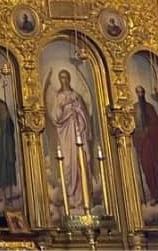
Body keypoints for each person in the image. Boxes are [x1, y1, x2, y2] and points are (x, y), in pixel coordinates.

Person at [50, 70, 91, 210]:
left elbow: (84, 114)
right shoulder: (58, 97)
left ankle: (81, 198)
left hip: (77, 131)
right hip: (66, 134)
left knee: (80, 164)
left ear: (69, 78)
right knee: (68, 164)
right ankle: (70, 197)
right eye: (61, 77)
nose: (64, 80)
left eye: (66, 77)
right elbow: (55, 117)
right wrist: (62, 107)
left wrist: (77, 109)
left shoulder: (76, 96)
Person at [133, 86, 158, 205]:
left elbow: (156, 125)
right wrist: (138, 137)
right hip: (143, 144)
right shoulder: (135, 109)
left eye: (142, 92)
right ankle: (154, 195)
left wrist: (148, 131)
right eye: (138, 93)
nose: (140, 95)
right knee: (148, 169)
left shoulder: (149, 107)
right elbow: (133, 128)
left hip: (152, 143)